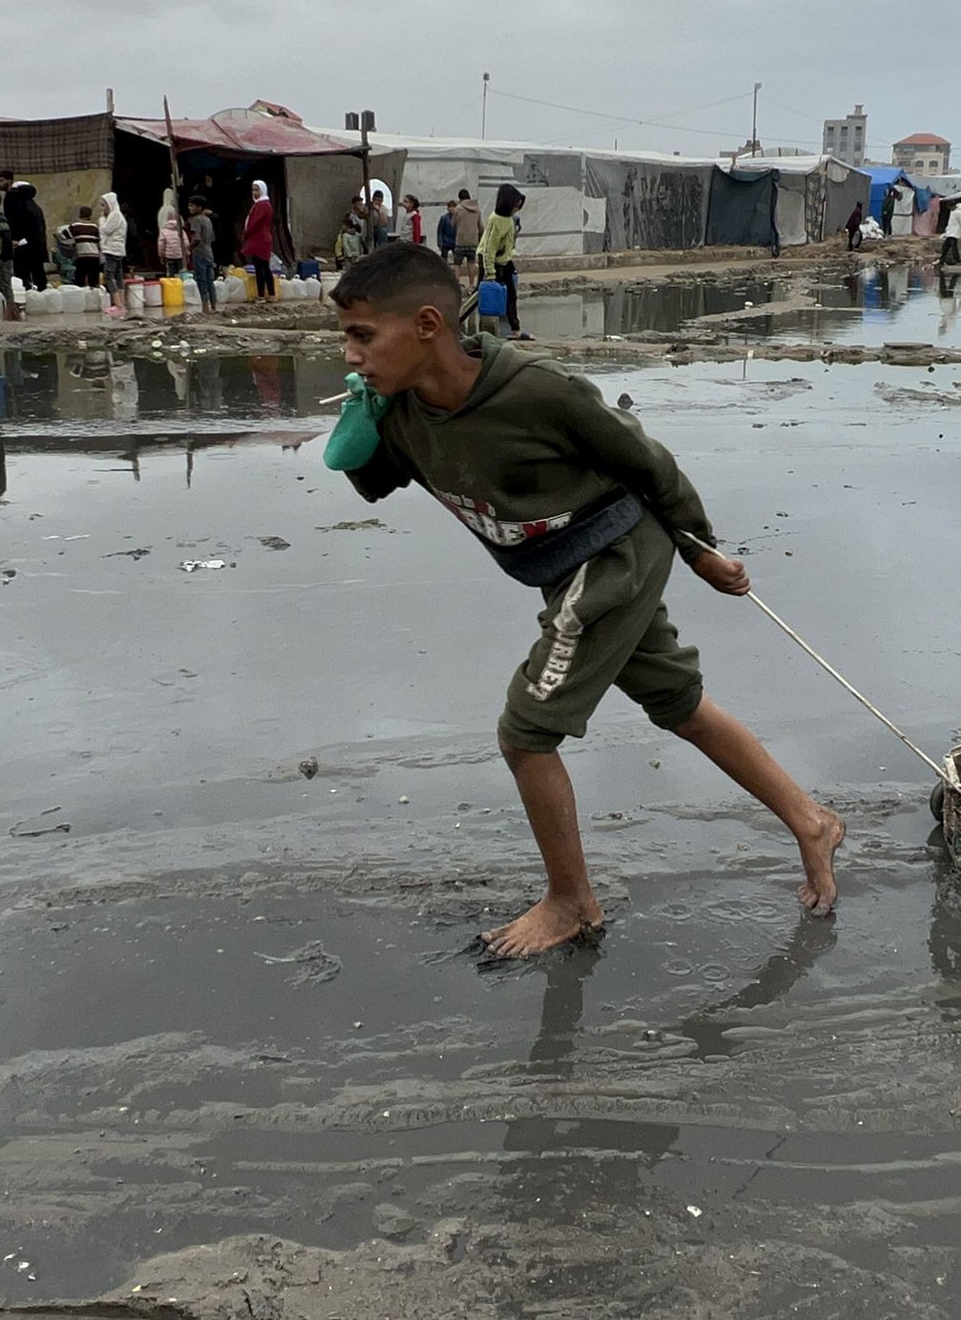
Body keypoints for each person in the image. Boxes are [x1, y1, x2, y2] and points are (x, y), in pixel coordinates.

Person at [324, 243, 845, 955]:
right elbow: (375, 482)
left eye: (361, 334)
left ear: (425, 325)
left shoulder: (536, 389)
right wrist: (359, 430)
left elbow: (646, 462)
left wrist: (700, 549)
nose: (350, 354)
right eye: (345, 337)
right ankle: (810, 820)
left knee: (526, 731)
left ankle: (571, 902)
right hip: (559, 564)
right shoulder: (402, 412)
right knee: (680, 704)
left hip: (614, 551)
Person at [478, 182, 526, 338]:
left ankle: (515, 329)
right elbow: (489, 248)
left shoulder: (510, 219)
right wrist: (490, 272)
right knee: (487, 294)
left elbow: (509, 243)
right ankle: (487, 331)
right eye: (515, 206)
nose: (517, 209)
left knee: (511, 294)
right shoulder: (496, 220)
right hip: (490, 260)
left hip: (504, 260)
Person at [3, 180, 49, 294]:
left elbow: (20, 225)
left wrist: (18, 240)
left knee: (23, 275)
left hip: (25, 245)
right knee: (38, 272)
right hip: (36, 245)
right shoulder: (35, 207)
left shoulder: (20, 206)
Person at [241, 179, 277, 301]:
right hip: (260, 239)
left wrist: (246, 234)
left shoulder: (263, 205)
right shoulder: (261, 204)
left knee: (260, 268)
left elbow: (255, 223)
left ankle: (261, 295)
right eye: (253, 189)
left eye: (256, 190)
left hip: (259, 239)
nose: (254, 192)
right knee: (264, 267)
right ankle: (271, 294)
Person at [186, 195, 219, 311]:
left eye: (192, 205)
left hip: (199, 253)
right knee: (210, 280)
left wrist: (188, 248)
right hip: (209, 253)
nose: (189, 208)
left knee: (202, 280)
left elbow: (196, 238)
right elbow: (213, 238)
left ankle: (205, 306)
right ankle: (214, 305)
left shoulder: (196, 220)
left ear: (199, 207)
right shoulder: (208, 219)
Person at [59, 205, 104, 288]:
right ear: (90, 215)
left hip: (82, 257)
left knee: (79, 280)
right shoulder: (94, 227)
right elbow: (99, 241)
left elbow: (62, 236)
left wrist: (73, 242)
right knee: (93, 283)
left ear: (80, 214)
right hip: (94, 257)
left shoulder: (75, 226)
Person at [96, 192, 128, 295]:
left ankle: (118, 303)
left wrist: (101, 221)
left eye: (103, 205)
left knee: (108, 276)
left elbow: (107, 230)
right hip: (117, 250)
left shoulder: (114, 215)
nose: (102, 208)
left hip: (112, 250)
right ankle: (121, 303)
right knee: (118, 276)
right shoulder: (116, 215)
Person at [451, 188, 482, 280]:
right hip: (473, 242)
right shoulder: (477, 210)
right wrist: (479, 239)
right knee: (471, 263)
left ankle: (458, 283)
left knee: (457, 264)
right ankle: (471, 284)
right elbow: (481, 227)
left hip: (460, 241)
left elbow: (452, 223)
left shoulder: (458, 209)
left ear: (460, 198)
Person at [940, 200, 961, 266]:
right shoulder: (952, 212)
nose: (950, 209)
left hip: (955, 233)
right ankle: (942, 260)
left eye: (950, 207)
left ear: (953, 206)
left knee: (953, 247)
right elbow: (950, 223)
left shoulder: (959, 213)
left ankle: (957, 260)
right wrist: (946, 231)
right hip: (950, 232)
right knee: (945, 246)